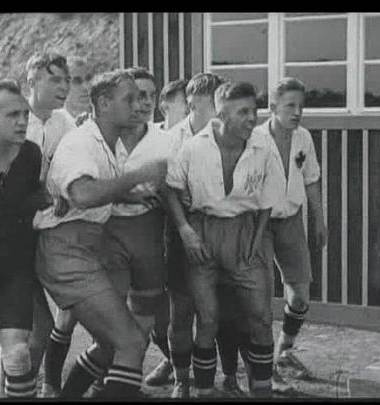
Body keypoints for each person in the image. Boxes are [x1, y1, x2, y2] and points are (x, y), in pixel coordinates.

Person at [34, 69, 167, 399]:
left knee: (111, 345)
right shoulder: (82, 142)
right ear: (104, 103)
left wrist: (129, 196)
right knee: (131, 342)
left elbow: (93, 192)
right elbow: (82, 194)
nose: (138, 105)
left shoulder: (106, 142)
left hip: (83, 249)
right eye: (129, 98)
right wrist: (136, 177)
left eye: (141, 98)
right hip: (66, 252)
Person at [165, 81, 283, 397]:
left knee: (261, 318)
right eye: (243, 112)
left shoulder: (263, 145)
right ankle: (204, 392)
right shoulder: (194, 147)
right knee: (207, 320)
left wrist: (256, 240)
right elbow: (171, 188)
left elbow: (269, 197)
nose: (251, 118)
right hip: (203, 232)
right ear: (221, 115)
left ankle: (262, 392)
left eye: (253, 111)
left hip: (246, 231)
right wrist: (185, 231)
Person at [144, 72, 226, 398]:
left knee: (212, 314)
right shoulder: (172, 138)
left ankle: (212, 381)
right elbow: (166, 188)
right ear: (193, 104)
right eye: (212, 106)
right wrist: (184, 228)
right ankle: (181, 380)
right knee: (181, 313)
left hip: (218, 229)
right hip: (179, 230)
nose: (218, 113)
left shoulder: (226, 135)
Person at [252, 78, 327, 383]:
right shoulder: (255, 139)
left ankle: (284, 351)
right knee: (260, 297)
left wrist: (319, 220)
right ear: (273, 107)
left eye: (301, 106)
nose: (297, 112)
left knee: (300, 296)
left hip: (291, 219)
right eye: (290, 106)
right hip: (259, 222)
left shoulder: (303, 138)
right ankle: (262, 363)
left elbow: (311, 179)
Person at [40, 55, 94, 398]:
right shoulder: (50, 123)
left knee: (75, 314)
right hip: (55, 229)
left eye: (87, 79)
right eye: (75, 80)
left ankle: (60, 384)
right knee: (63, 315)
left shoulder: (86, 123)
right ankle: (48, 384)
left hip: (89, 228)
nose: (83, 87)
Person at [24, 51, 76, 385]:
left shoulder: (64, 123)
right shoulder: (11, 119)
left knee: (38, 327)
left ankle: (37, 386)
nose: (64, 87)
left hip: (46, 231)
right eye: (54, 79)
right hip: (10, 235)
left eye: (66, 80)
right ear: (31, 81)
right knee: (29, 329)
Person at [0, 80, 45, 398]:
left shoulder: (30, 154)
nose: (22, 121)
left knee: (18, 355)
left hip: (13, 269)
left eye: (25, 114)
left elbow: (28, 200)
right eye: (12, 115)